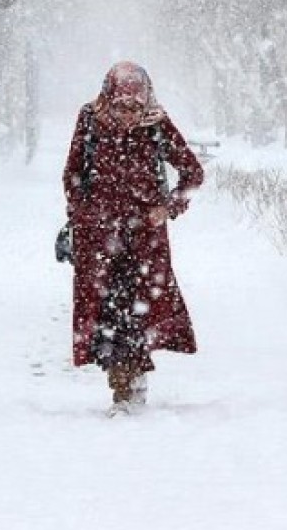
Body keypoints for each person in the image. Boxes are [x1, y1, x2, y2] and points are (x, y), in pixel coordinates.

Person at [62, 61, 205, 412]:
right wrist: (84, 214)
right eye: (121, 106)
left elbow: (192, 173)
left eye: (135, 106)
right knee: (106, 313)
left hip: (146, 241)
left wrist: (167, 208)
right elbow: (72, 174)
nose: (128, 114)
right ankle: (122, 384)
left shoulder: (156, 124)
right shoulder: (90, 119)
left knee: (137, 312)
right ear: (108, 97)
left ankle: (130, 384)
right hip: (98, 239)